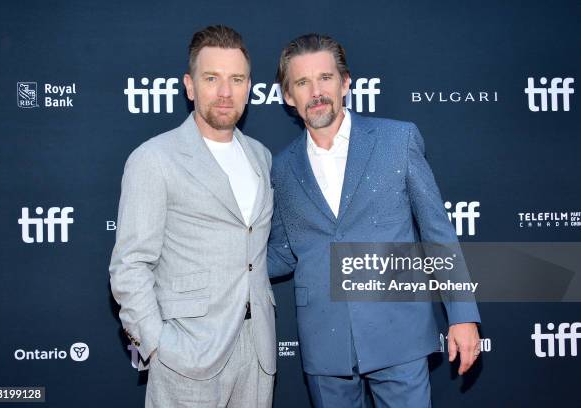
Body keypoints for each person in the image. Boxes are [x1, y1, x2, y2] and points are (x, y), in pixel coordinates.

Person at [267, 33, 481, 407]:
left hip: (399, 332)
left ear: (346, 82)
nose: (316, 91)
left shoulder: (396, 139)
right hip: (325, 342)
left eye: (325, 78)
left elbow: (436, 232)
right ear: (288, 96)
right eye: (302, 82)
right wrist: (226, 262)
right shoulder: (281, 168)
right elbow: (285, 251)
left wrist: (462, 315)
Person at [109, 25, 276, 408]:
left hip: (258, 351)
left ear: (249, 86)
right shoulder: (154, 159)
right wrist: (157, 345)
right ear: (189, 85)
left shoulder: (261, 157)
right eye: (211, 78)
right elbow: (130, 264)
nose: (224, 92)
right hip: (188, 353)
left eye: (236, 79)